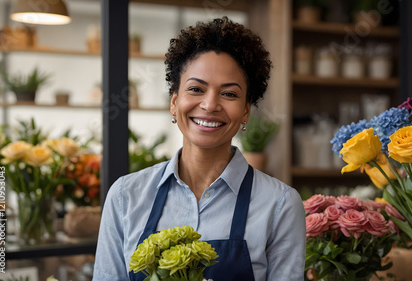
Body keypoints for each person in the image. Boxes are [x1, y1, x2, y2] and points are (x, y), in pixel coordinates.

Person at [93, 17, 306, 281]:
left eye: (229, 94)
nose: (210, 104)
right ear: (174, 102)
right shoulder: (126, 197)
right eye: (196, 89)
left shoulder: (280, 205)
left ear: (246, 112)